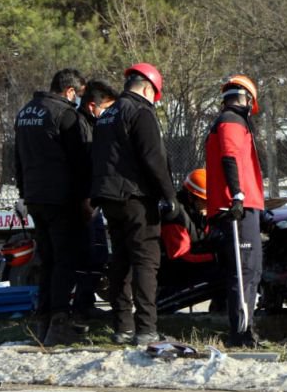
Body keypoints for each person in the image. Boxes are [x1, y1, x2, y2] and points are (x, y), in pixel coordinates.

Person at [90, 63, 177, 346]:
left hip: (109, 199)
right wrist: (169, 196)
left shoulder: (107, 114)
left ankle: (123, 327)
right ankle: (146, 329)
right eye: (156, 95)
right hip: (136, 198)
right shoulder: (140, 111)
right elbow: (154, 159)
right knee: (145, 261)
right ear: (148, 88)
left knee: (120, 262)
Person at [13, 68, 90, 346]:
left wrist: (24, 192)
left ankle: (42, 319)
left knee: (47, 260)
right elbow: (80, 162)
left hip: (35, 198)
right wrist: (85, 198)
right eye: (78, 94)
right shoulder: (65, 114)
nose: (78, 99)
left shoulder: (25, 113)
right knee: (64, 261)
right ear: (70, 91)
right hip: (62, 199)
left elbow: (18, 158)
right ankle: (59, 322)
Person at [205, 75, 264, 347]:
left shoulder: (229, 120)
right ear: (246, 99)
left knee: (249, 270)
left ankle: (245, 330)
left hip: (240, 205)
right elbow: (229, 156)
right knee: (245, 272)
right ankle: (241, 333)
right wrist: (237, 196)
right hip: (237, 207)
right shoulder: (231, 120)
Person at [71, 80, 119, 327]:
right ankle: (82, 308)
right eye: (107, 108)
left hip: (89, 199)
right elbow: (83, 166)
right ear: (93, 106)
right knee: (91, 255)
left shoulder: (86, 124)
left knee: (95, 255)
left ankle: (84, 304)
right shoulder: (82, 127)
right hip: (85, 201)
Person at [158, 169, 223, 308]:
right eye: (205, 201)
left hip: (192, 263)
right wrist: (216, 256)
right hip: (174, 273)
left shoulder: (199, 212)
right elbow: (181, 257)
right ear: (191, 197)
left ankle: (220, 309)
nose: (209, 205)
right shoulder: (175, 217)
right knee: (224, 272)